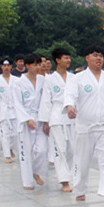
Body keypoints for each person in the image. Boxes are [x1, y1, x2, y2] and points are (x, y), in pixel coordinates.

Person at [64, 45, 104, 203]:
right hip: (85, 126)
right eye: (95, 55)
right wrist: (70, 106)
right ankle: (80, 190)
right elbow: (70, 95)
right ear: (87, 58)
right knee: (82, 160)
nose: (99, 58)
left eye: (101, 55)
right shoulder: (78, 78)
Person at [38, 47, 75, 191]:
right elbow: (46, 101)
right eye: (65, 58)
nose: (68, 60)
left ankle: (70, 175)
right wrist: (45, 121)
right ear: (57, 60)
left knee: (72, 150)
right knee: (60, 149)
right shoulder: (50, 79)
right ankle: (64, 180)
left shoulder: (73, 78)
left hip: (71, 117)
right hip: (56, 116)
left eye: (69, 58)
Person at [12, 54, 48, 189]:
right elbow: (17, 104)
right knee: (26, 151)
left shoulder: (43, 80)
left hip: (40, 117)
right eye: (34, 64)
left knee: (42, 150)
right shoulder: (18, 83)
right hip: (26, 119)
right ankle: (27, 181)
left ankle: (36, 172)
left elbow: (46, 101)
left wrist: (46, 120)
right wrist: (27, 119)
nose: (38, 67)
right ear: (27, 66)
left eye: (39, 64)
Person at [0, 59, 19, 163]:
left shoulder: (16, 80)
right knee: (4, 133)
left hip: (15, 110)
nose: (6, 68)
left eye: (8, 66)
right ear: (1, 67)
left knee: (15, 133)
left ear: (11, 67)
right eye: (4, 66)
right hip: (3, 110)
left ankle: (11, 149)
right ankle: (7, 156)